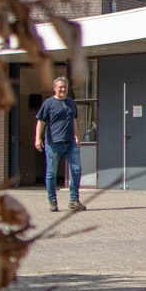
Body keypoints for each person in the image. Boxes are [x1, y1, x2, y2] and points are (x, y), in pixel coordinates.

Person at [33, 76, 84, 212]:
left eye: (65, 87)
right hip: (53, 143)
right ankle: (52, 201)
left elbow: (73, 120)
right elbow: (41, 121)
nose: (63, 89)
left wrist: (77, 136)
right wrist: (38, 139)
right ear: (55, 88)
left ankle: (74, 200)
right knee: (51, 173)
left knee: (77, 170)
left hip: (70, 143)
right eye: (60, 87)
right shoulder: (48, 104)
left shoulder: (71, 103)